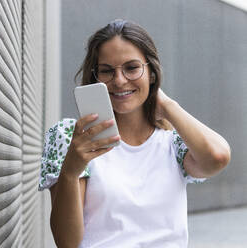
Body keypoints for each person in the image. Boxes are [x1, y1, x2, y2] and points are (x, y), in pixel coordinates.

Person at [38, 19, 231, 248]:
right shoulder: (73, 137)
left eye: (131, 68)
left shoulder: (174, 145)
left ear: (151, 72)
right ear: (95, 77)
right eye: (107, 71)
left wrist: (168, 106)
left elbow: (217, 157)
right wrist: (70, 172)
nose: (119, 81)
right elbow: (66, 243)